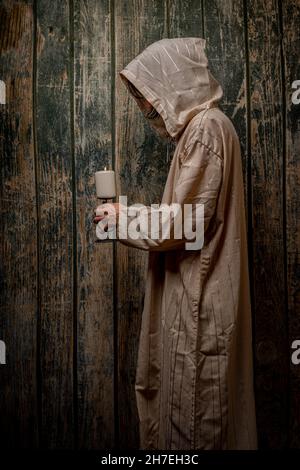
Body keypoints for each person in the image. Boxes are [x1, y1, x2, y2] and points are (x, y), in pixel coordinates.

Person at [94, 37, 258, 450]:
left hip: (200, 303)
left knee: (195, 419)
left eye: (148, 95)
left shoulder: (205, 130)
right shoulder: (203, 130)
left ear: (175, 82)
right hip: (193, 296)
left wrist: (121, 218)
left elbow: (184, 225)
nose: (145, 108)